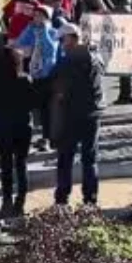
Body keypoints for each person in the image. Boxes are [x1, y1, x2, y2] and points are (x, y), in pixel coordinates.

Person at [52, 23, 105, 206]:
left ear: (72, 38)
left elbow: (59, 89)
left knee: (65, 157)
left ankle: (62, 199)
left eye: (62, 39)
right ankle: (90, 199)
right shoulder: (96, 57)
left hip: (71, 114)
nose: (61, 43)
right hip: (93, 113)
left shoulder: (67, 62)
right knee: (90, 158)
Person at [0, 42, 33, 218]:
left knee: (6, 166)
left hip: (4, 125)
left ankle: (6, 203)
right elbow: (34, 102)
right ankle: (20, 203)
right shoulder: (25, 80)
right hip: (23, 125)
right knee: (21, 164)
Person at [17, 4, 60, 152]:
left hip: (47, 75)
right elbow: (20, 44)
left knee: (46, 108)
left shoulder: (53, 32)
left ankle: (46, 137)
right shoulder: (30, 30)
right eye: (35, 15)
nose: (36, 18)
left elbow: (51, 52)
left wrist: (45, 31)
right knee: (32, 107)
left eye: (40, 15)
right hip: (32, 73)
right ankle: (30, 137)